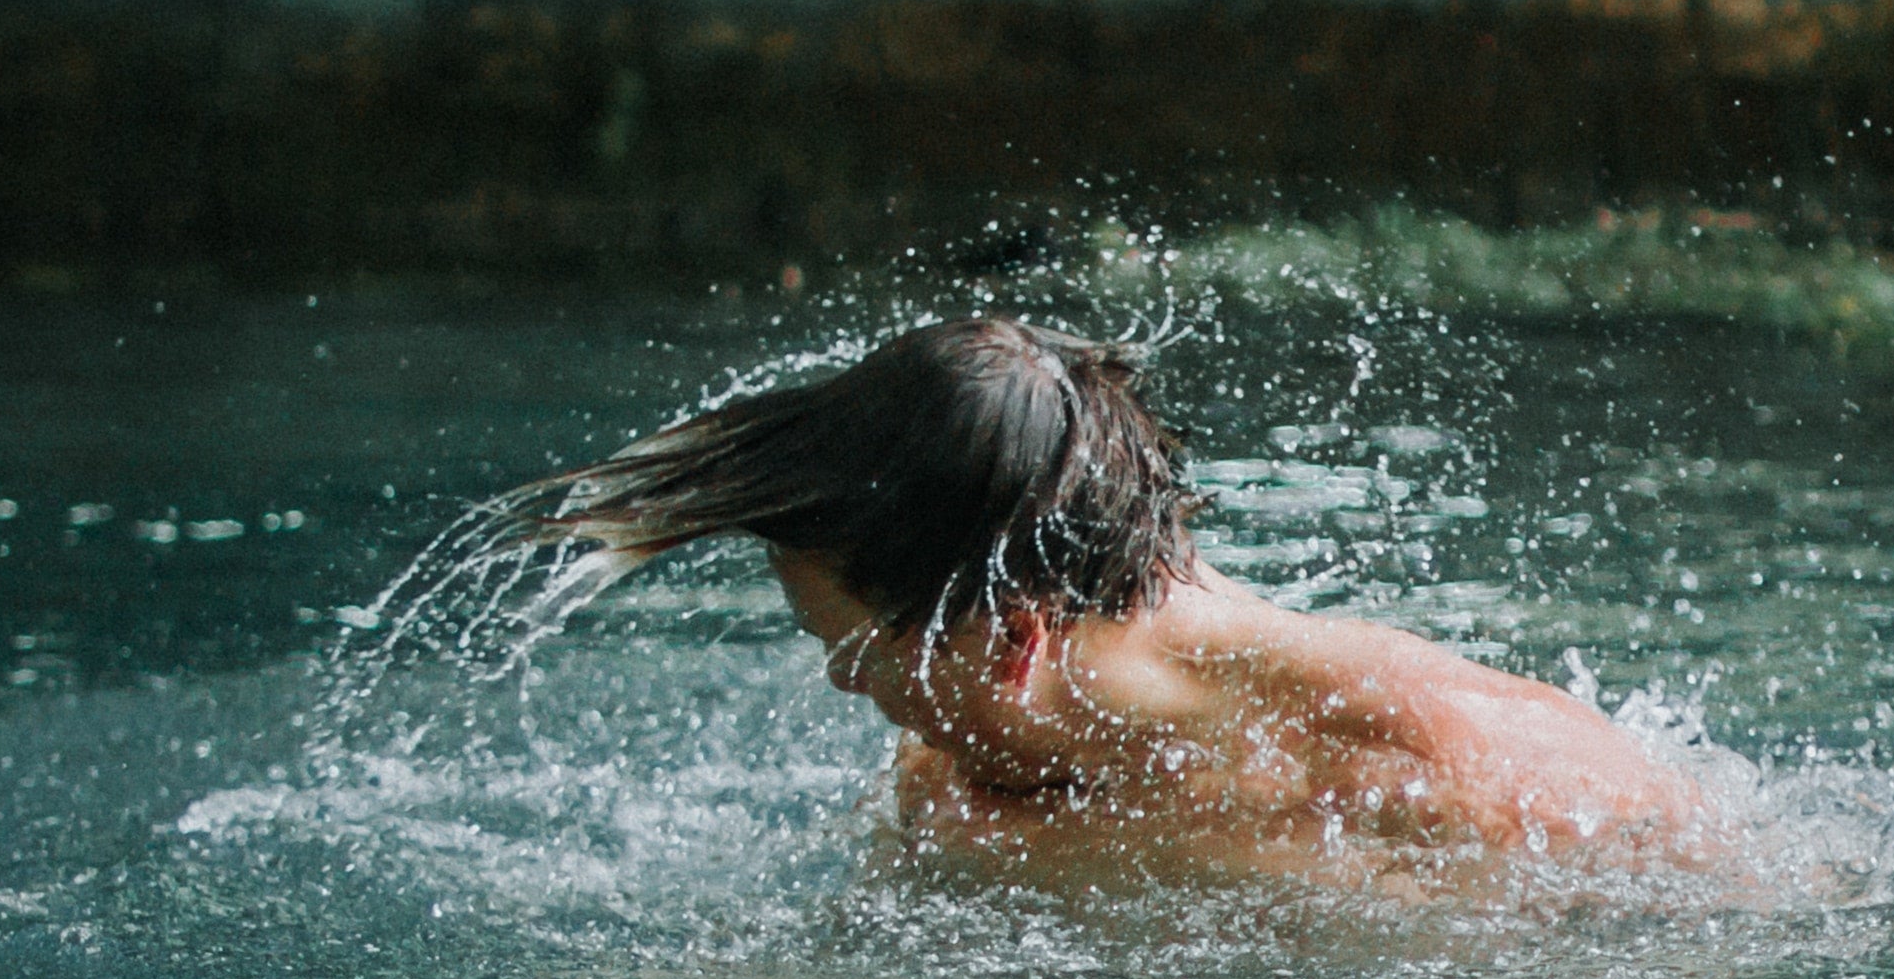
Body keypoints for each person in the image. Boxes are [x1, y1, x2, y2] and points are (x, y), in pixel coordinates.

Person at [498, 316, 1720, 891]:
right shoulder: (978, 774)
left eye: (852, 649)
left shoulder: (1442, 772)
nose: (844, 685)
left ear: (1018, 636)